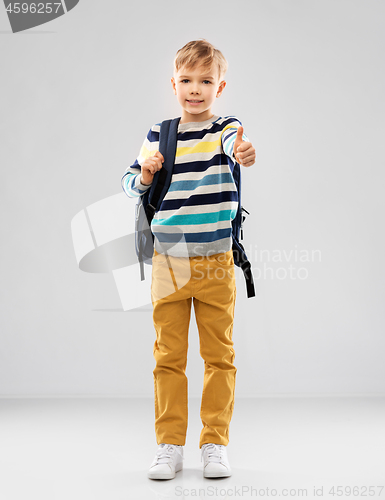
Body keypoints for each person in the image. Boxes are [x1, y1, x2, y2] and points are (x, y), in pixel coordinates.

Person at [121, 39, 256, 480]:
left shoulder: (225, 129)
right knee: (168, 356)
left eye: (205, 81)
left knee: (220, 356)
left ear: (220, 86)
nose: (195, 89)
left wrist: (243, 150)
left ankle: (214, 444)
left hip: (216, 259)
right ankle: (169, 446)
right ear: (173, 83)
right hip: (169, 262)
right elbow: (128, 184)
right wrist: (144, 173)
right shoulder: (159, 134)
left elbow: (238, 142)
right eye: (186, 80)